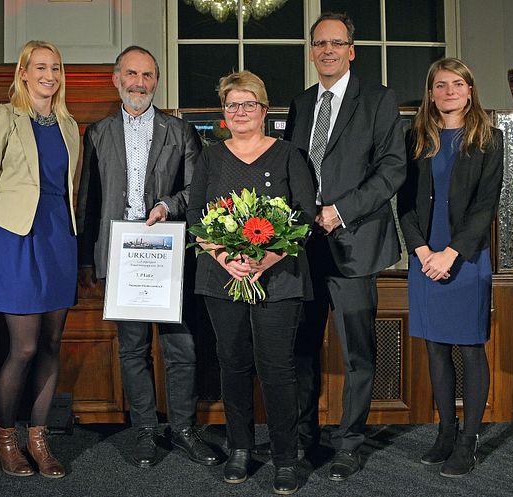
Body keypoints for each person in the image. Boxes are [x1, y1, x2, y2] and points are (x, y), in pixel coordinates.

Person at [75, 46, 218, 468]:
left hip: (169, 257)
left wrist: (168, 206)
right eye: (132, 74)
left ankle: (184, 430)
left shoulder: (179, 131)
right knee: (132, 350)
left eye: (148, 76)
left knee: (181, 348)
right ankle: (143, 432)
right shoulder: (97, 134)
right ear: (117, 79)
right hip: (121, 259)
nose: (140, 83)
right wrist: (87, 260)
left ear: (157, 81)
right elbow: (88, 200)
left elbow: (198, 190)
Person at [283, 12, 406, 480]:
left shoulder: (377, 100)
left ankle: (350, 443)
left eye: (337, 43)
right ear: (312, 50)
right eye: (320, 43)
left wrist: (340, 210)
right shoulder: (299, 104)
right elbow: (293, 168)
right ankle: (301, 438)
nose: (328, 50)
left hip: (354, 244)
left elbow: (393, 168)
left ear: (351, 50)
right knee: (302, 349)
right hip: (303, 249)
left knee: (357, 352)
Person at [187, 70, 316, 495]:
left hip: (279, 279)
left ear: (263, 110)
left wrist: (269, 256)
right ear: (224, 113)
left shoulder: (289, 155)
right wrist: (225, 257)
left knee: (278, 369)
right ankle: (240, 449)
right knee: (234, 363)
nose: (240, 112)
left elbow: (304, 217)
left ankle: (284, 457)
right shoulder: (209, 157)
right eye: (232, 105)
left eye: (249, 104)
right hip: (222, 278)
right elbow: (195, 215)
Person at [0, 40, 80, 478]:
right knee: (25, 346)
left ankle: (40, 438)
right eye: (40, 67)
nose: (49, 74)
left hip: (59, 237)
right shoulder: (2, 117)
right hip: (16, 237)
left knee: (52, 344)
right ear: (24, 73)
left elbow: (71, 187)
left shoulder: (68, 124)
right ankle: (7, 437)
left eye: (55, 67)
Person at [398, 57, 503, 477]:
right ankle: (446, 432)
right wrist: (423, 252)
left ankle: (468, 440)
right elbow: (404, 203)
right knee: (435, 348)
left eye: (457, 84)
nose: (449, 91)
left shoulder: (488, 139)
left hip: (466, 260)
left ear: (470, 90)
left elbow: (485, 207)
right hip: (424, 259)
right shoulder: (415, 139)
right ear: (431, 92)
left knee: (470, 349)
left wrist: (451, 254)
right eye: (441, 85)